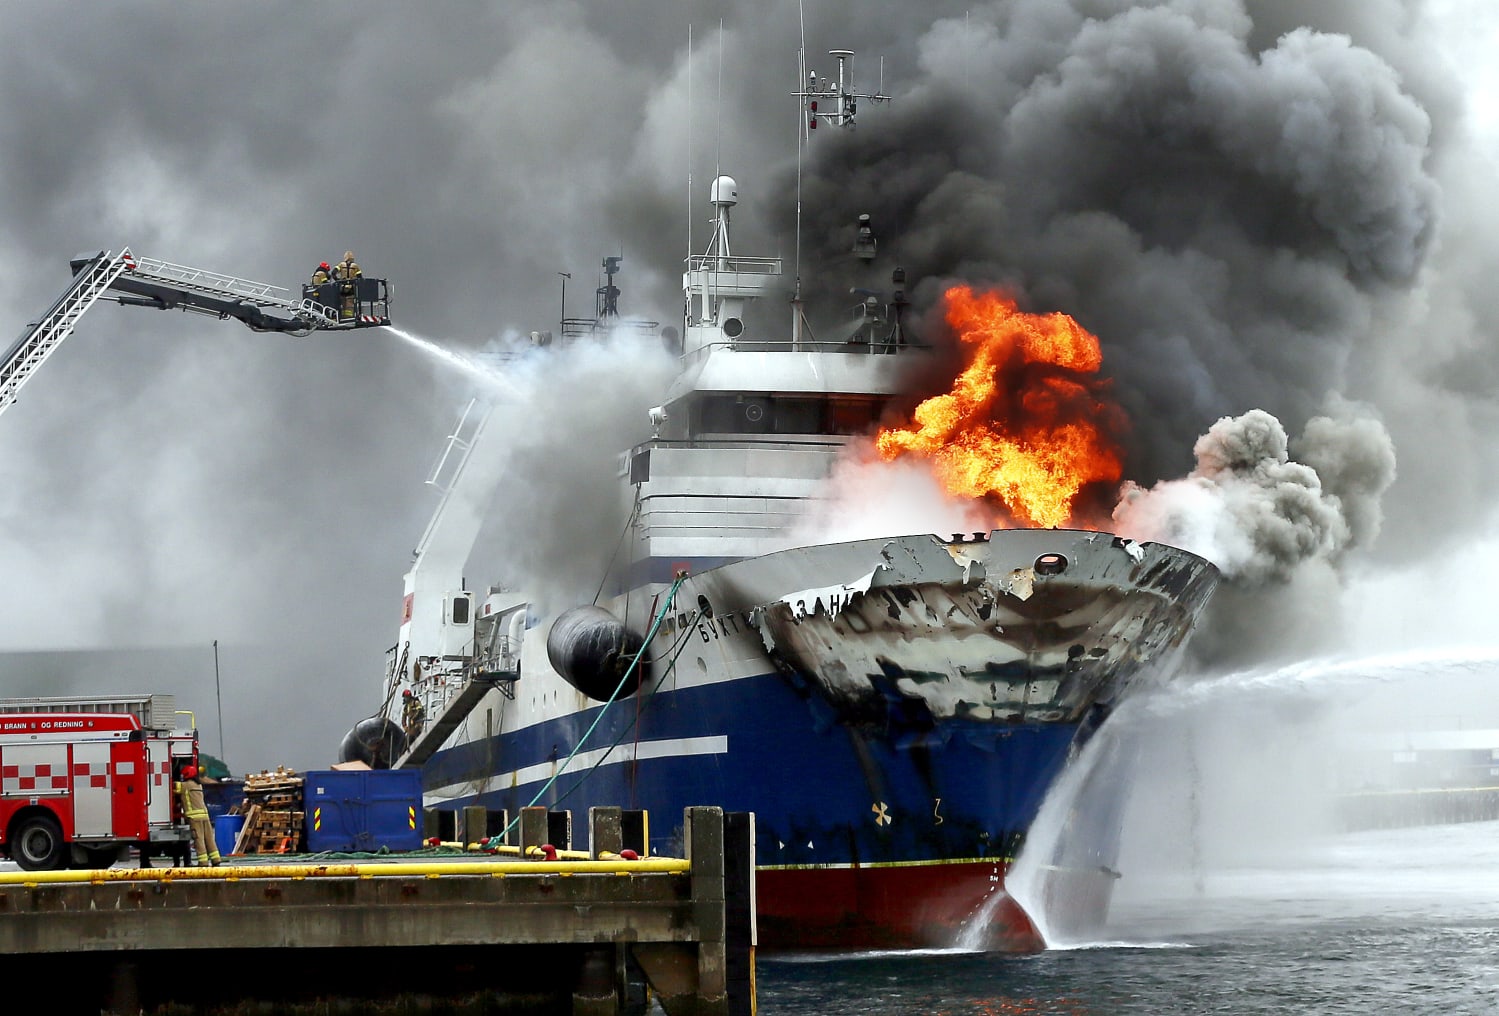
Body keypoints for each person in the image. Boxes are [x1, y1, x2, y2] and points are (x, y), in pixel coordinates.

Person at [175, 764, 222, 867]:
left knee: (199, 839)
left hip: (194, 818)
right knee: (209, 839)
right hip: (205, 816)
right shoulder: (199, 785)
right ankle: (216, 859)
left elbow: (172, 787)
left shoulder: (184, 785)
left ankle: (203, 862)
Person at [332, 250, 362, 319]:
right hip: (351, 287)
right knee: (349, 303)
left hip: (342, 287)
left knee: (342, 302)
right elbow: (360, 278)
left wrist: (338, 280)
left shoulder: (341, 265)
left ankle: (341, 316)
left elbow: (333, 273)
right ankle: (349, 317)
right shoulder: (355, 266)